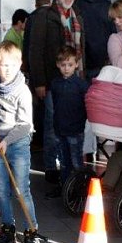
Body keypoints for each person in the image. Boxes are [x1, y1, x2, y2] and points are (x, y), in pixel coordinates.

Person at [28, 0, 85, 193]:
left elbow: (82, 49)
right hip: (52, 80)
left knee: (72, 123)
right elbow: (35, 50)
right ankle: (51, 166)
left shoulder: (77, 15)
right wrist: (40, 82)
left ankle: (70, 167)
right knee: (52, 124)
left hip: (74, 79)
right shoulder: (44, 15)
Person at [0, 41, 39, 243]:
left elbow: (25, 124)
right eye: (1, 65)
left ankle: (31, 232)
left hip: (17, 143)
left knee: (20, 190)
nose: (5, 69)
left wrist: (8, 140)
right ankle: (8, 228)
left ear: (19, 64)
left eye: (10, 65)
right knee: (2, 190)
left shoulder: (22, 91)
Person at [48, 46, 88, 196]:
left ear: (76, 64)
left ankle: (79, 189)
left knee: (76, 161)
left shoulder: (81, 85)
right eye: (63, 65)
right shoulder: (55, 84)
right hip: (60, 129)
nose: (66, 68)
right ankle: (66, 188)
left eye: (70, 65)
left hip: (75, 129)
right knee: (64, 162)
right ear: (58, 65)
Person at [69, 0, 113, 81]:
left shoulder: (72, 4)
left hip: (78, 63)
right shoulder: (106, 4)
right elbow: (114, 32)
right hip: (104, 62)